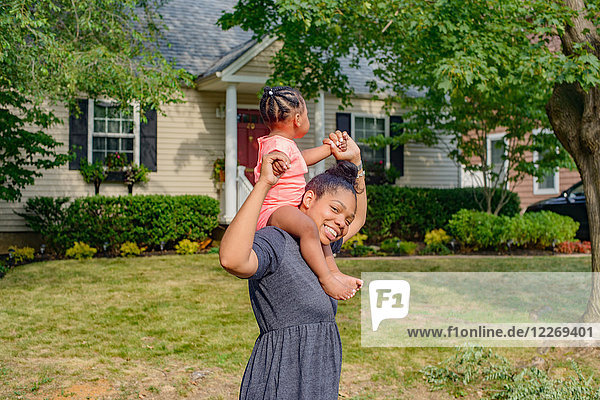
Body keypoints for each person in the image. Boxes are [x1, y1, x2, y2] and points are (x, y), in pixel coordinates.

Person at [219, 136, 366, 399]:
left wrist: (355, 163)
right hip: (282, 379)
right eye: (335, 209)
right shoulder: (277, 240)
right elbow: (232, 260)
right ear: (308, 199)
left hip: (318, 378)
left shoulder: (320, 248)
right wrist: (264, 183)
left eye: (346, 219)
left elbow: (360, 218)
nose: (342, 223)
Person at [254, 86, 361, 300]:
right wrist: (277, 160)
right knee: (308, 227)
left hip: (288, 208)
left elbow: (300, 159)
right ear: (297, 118)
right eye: (307, 114)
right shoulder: (276, 144)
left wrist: (330, 149)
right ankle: (326, 278)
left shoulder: (284, 144)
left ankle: (334, 272)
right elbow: (277, 156)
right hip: (275, 210)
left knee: (320, 234)